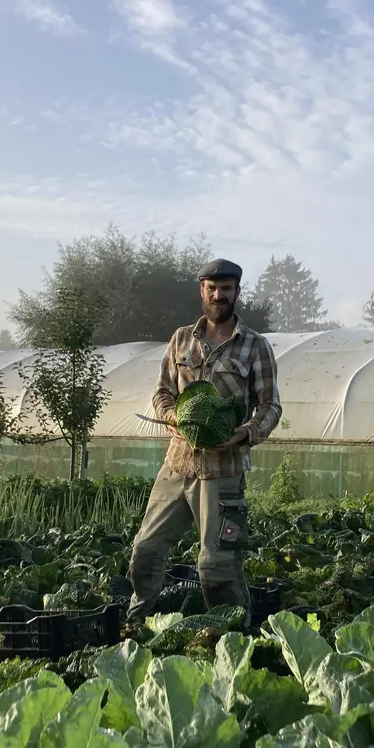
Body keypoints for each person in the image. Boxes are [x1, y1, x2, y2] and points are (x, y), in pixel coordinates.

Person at [124, 257, 282, 626]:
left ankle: (231, 635)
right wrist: (172, 416)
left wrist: (244, 433)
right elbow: (162, 393)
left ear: (236, 293)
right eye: (211, 288)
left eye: (226, 289)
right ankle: (135, 626)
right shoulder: (181, 339)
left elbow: (270, 406)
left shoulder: (255, 346)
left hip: (223, 471)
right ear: (202, 291)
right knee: (145, 551)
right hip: (177, 463)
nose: (218, 296)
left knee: (216, 564)